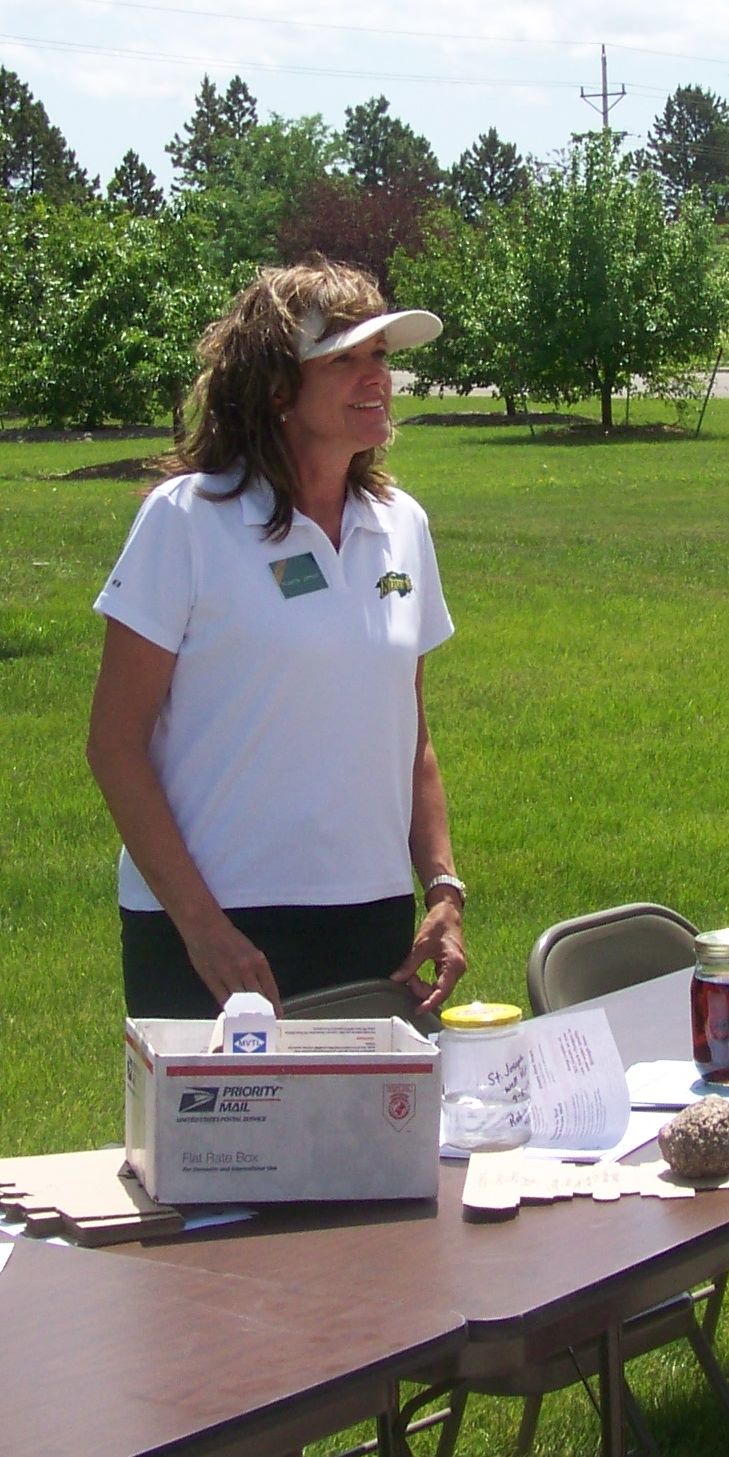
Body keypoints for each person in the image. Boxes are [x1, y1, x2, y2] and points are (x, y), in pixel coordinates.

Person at [87, 258, 469, 1019]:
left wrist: (442, 886)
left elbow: (410, 729)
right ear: (274, 388)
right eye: (345, 360)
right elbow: (114, 743)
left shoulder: (402, 526)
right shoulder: (188, 520)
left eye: (382, 357)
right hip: (213, 923)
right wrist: (201, 928)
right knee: (217, 1143)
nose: (377, 379)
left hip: (370, 914)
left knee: (365, 1140)